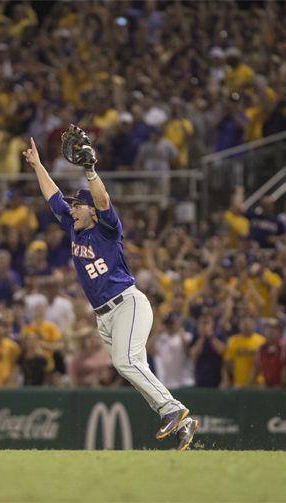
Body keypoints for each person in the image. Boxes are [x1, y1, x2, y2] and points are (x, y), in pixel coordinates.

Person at [22, 130, 197, 450]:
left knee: (125, 362)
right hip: (104, 316)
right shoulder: (74, 229)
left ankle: (173, 409)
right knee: (134, 366)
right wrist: (37, 166)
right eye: (74, 206)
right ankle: (180, 420)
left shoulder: (107, 230)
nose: (73, 209)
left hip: (127, 303)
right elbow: (53, 197)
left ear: (91, 211)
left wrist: (90, 172)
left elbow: (103, 201)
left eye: (79, 206)